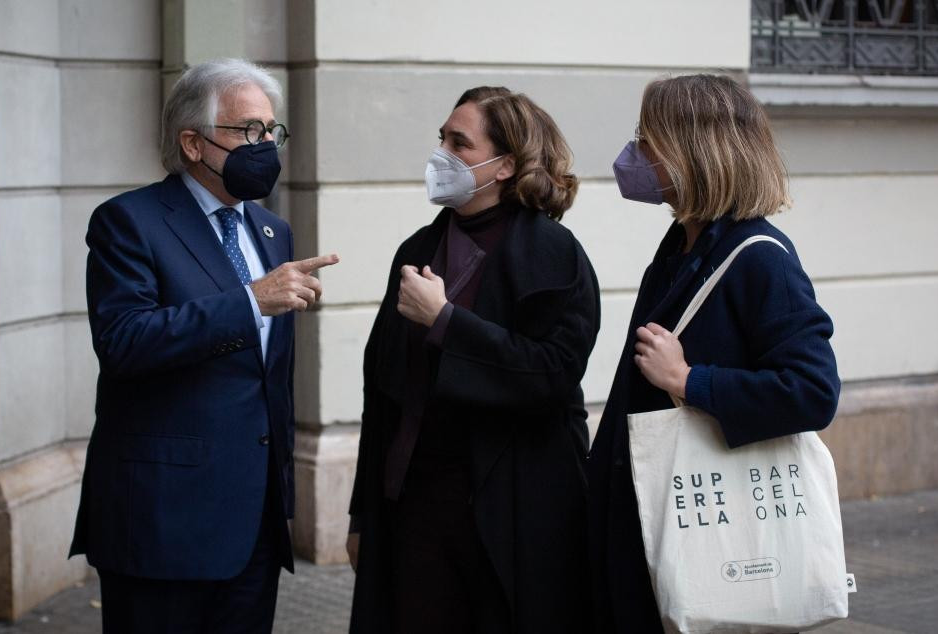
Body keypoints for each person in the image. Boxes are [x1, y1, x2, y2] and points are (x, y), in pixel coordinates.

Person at [69, 58, 339, 633]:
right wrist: (248, 302)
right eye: (247, 131)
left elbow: (268, 379)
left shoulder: (272, 231)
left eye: (271, 131)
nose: (264, 144)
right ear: (193, 143)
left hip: (253, 523)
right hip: (163, 520)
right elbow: (123, 342)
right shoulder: (129, 221)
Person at [586, 74, 842, 633]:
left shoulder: (759, 257)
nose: (636, 152)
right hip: (649, 515)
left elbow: (813, 392)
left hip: (705, 526)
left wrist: (689, 380)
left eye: (647, 136)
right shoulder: (683, 242)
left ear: (690, 149)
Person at [346, 86, 600, 634]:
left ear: (504, 164)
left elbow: (552, 374)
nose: (442, 152)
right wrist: (363, 514)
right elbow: (382, 390)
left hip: (514, 512)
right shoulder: (417, 249)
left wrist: (446, 322)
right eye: (442, 137)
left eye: (459, 142)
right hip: (416, 507)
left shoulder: (552, 252)